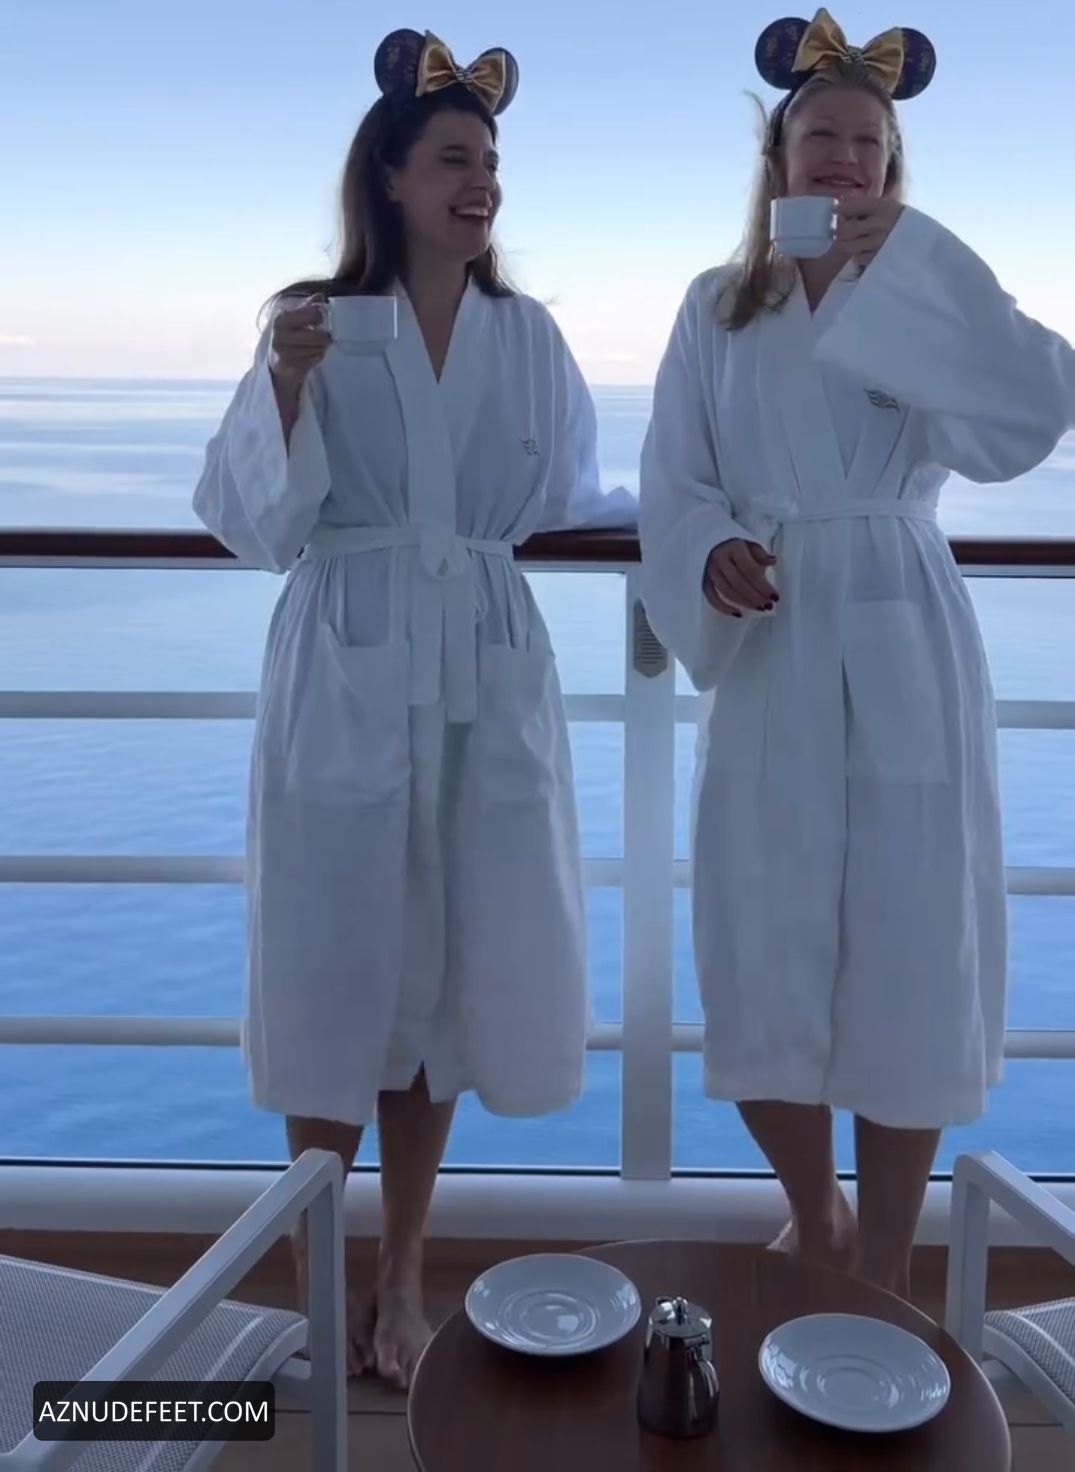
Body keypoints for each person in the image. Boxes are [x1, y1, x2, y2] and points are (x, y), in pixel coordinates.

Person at [193, 27, 635, 1387]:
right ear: (388, 178)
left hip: (483, 667)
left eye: (490, 162)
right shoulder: (311, 322)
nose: (480, 181)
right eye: (453, 158)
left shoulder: (528, 335)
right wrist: (282, 382)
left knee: (444, 971)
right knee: (333, 964)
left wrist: (709, 531)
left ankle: (402, 1271)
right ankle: (323, 1273)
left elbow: (571, 496)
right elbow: (251, 523)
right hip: (348, 658)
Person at [639, 6, 1074, 1300]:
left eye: (867, 142)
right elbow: (671, 475)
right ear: (777, 161)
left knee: (910, 946)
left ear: (893, 166)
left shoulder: (925, 286)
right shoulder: (717, 306)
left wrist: (927, 269)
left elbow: (1034, 409)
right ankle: (814, 1211)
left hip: (901, 626)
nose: (842, 156)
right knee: (756, 940)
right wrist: (708, 547)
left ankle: (884, 1262)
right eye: (819, 135)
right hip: (772, 637)